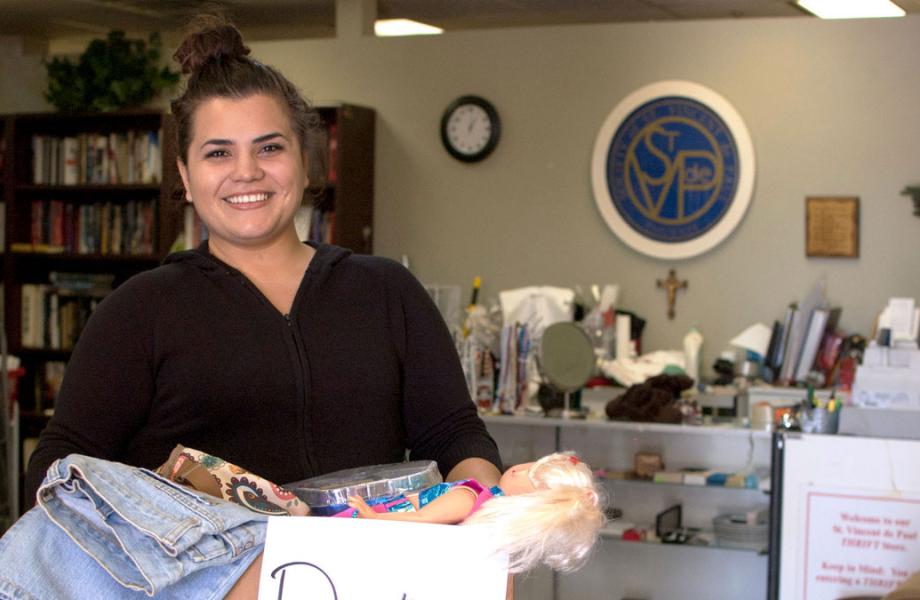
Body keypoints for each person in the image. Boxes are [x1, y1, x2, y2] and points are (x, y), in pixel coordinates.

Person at [25, 13, 502, 507]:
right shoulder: (139, 311)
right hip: (208, 559)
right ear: (185, 176)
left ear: (305, 161)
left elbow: (456, 436)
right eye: (218, 154)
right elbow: (56, 471)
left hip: (370, 554)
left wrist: (479, 502)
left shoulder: (387, 292)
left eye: (269, 147)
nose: (246, 172)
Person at [342, 452, 606, 574]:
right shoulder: (483, 518)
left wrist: (373, 517)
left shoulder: (470, 497)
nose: (517, 468)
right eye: (530, 465)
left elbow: (421, 519)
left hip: (383, 521)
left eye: (528, 473)